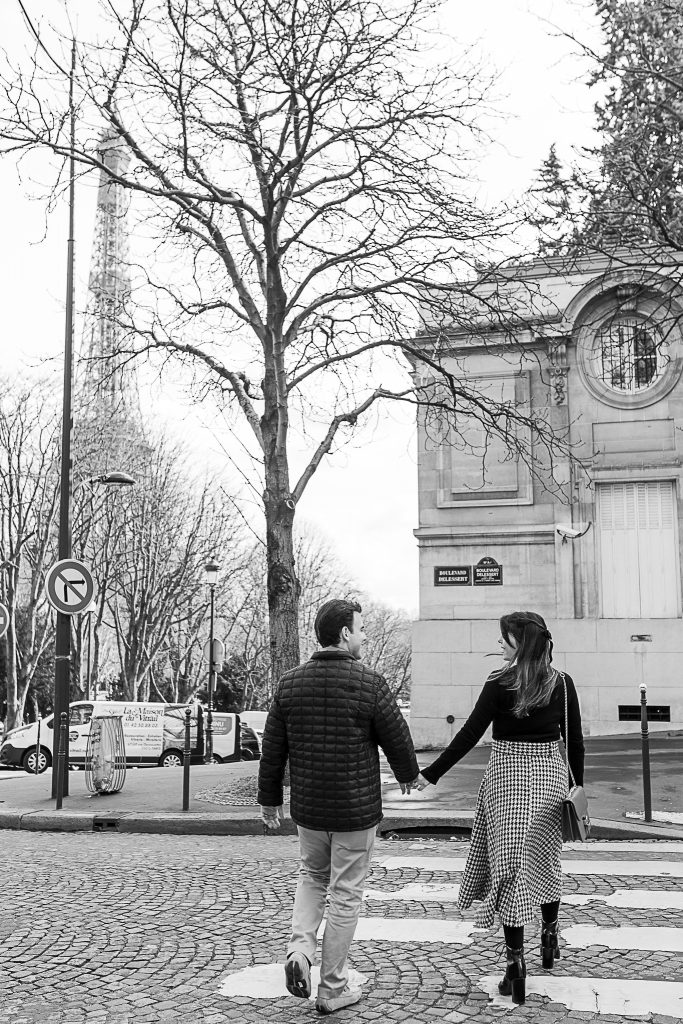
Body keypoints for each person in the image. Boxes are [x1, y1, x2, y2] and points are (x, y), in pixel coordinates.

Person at [258, 598, 421, 1015]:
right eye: (361, 629)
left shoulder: (290, 683)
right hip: (355, 810)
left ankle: (300, 951)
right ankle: (332, 987)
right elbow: (396, 736)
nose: (364, 636)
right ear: (345, 634)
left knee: (311, 877)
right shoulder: (369, 682)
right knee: (345, 895)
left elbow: (273, 748)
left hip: (309, 810)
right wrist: (408, 774)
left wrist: (270, 799)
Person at [416, 611, 584, 1006]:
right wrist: (578, 787)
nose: (499, 645)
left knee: (509, 867)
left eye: (504, 638)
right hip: (549, 779)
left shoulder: (498, 682)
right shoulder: (562, 683)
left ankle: (515, 965)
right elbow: (574, 740)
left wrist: (431, 774)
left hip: (507, 779)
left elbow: (470, 732)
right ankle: (549, 930)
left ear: (519, 643)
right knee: (543, 861)